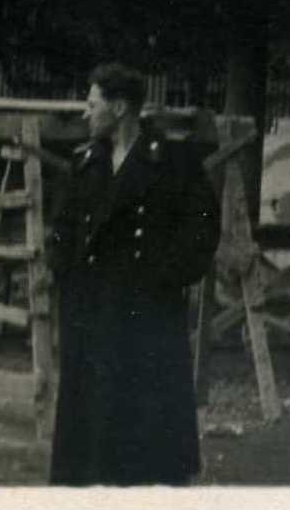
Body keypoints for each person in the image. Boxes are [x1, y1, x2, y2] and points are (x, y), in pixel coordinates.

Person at [48, 62, 220, 486]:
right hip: (92, 311)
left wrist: (163, 279)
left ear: (120, 107)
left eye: (93, 105)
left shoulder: (173, 162)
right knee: (91, 431)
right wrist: (68, 280)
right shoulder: (87, 161)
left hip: (147, 314)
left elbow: (202, 230)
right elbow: (63, 229)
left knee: (145, 435)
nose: (86, 114)